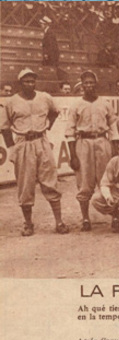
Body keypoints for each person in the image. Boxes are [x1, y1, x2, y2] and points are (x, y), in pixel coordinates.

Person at [0, 68, 69, 236]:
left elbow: (54, 112)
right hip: (23, 142)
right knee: (25, 185)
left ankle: (59, 222)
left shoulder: (44, 97)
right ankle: (28, 224)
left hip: (41, 140)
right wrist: (12, 149)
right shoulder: (11, 102)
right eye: (26, 81)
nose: (29, 84)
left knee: (50, 180)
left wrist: (46, 127)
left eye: (32, 81)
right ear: (20, 83)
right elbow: (5, 128)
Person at [66, 70, 119, 232]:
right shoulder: (76, 105)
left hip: (103, 142)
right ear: (82, 85)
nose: (89, 86)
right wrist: (73, 155)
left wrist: (115, 150)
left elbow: (113, 128)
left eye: (91, 82)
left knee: (108, 181)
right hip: (84, 143)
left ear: (96, 84)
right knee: (84, 182)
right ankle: (85, 218)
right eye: (86, 83)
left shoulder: (105, 103)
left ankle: (115, 216)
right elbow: (70, 131)